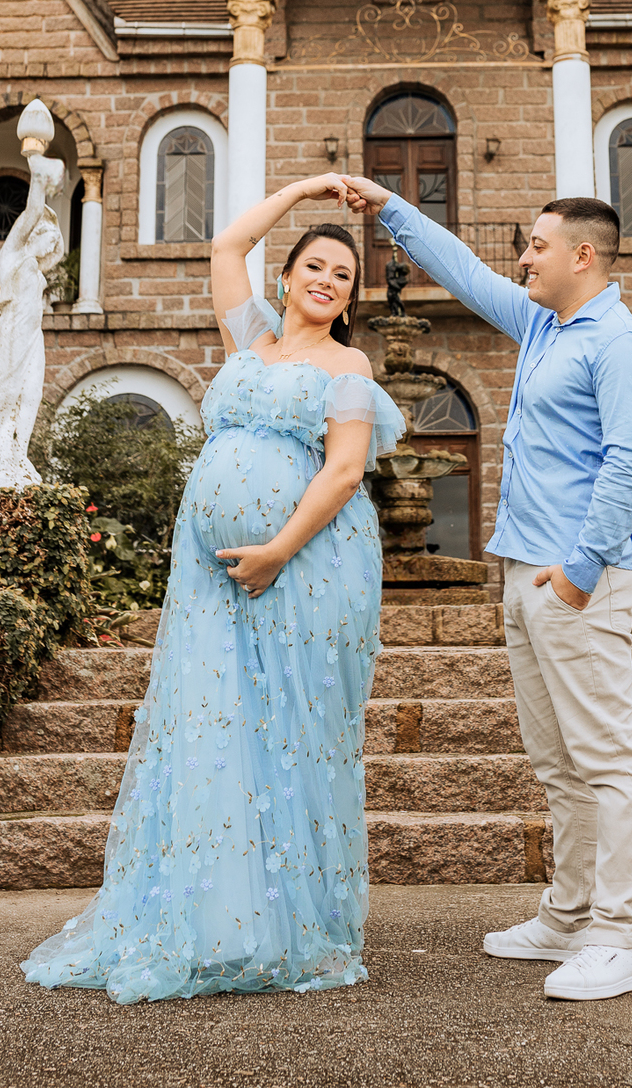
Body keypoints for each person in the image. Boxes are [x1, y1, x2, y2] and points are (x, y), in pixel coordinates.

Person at [21, 175, 404, 1002]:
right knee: (214, 725)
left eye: (343, 274)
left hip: (308, 566)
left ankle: (291, 926)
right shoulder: (249, 340)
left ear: (349, 299)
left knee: (290, 731)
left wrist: (274, 551)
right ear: (288, 276)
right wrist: (307, 188)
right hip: (206, 577)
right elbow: (225, 245)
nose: (327, 279)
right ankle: (212, 917)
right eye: (315, 263)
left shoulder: (349, 364)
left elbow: (342, 473)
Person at [342, 176, 632, 1003]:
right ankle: (567, 915)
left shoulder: (619, 343)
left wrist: (579, 572)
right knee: (559, 765)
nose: (523, 256)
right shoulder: (542, 324)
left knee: (608, 761)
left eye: (538, 244)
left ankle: (620, 936)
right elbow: (465, 273)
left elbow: (631, 463)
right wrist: (389, 210)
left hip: (577, 581)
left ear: (583, 255)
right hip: (524, 572)